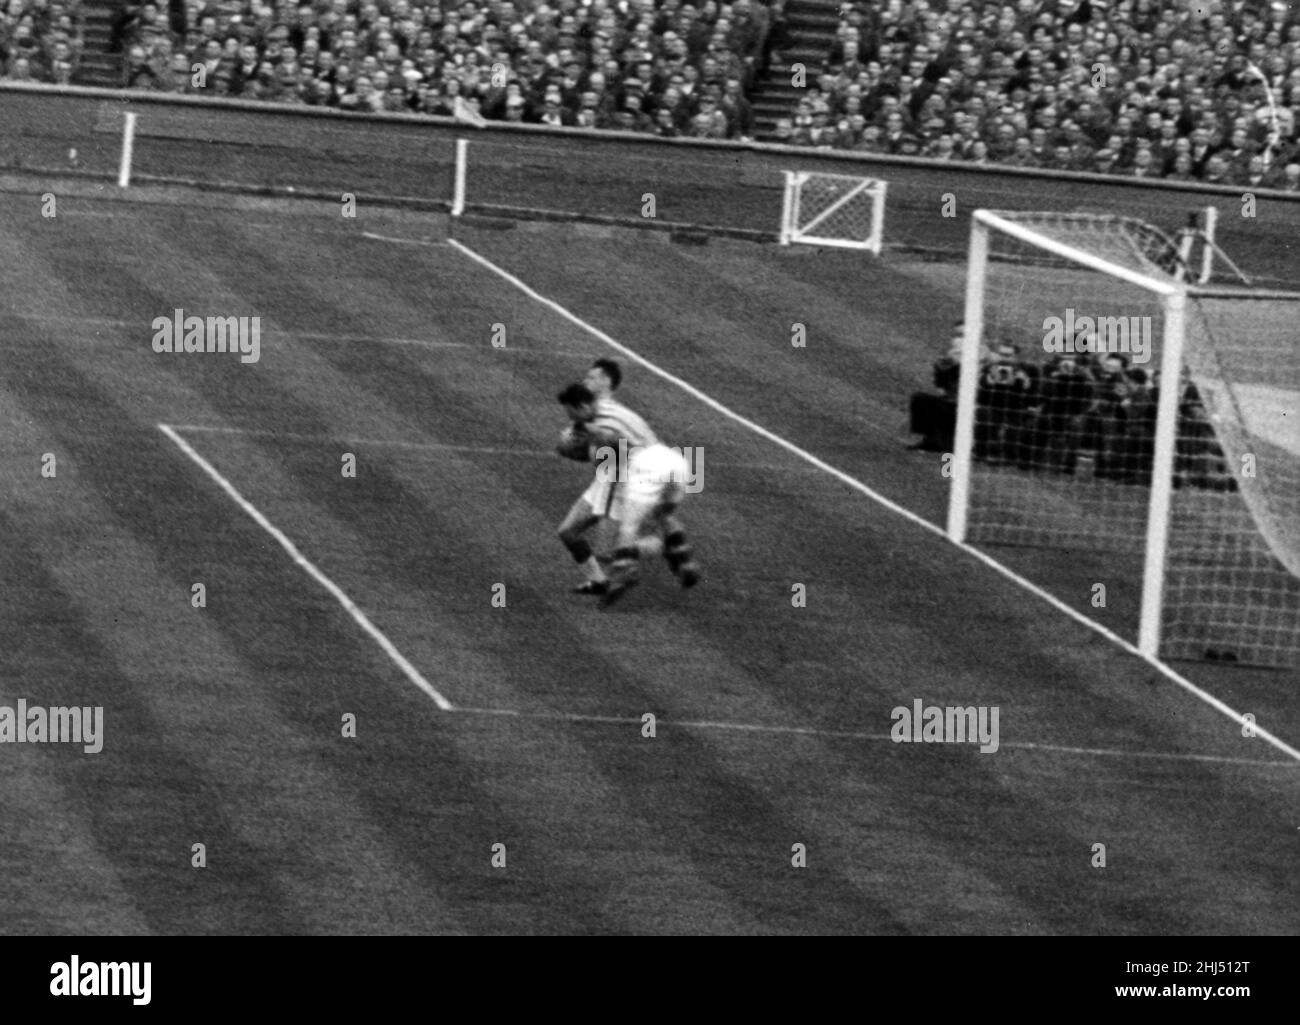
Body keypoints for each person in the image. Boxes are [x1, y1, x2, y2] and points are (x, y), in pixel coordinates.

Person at [556, 382, 700, 605]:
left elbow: (608, 450)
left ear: (583, 406)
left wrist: (581, 444)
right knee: (661, 515)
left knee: (619, 540)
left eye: (572, 414)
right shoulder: (604, 406)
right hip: (670, 462)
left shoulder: (600, 427)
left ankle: (630, 568)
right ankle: (677, 554)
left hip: (638, 471)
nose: (572, 420)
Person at [555, 359, 625, 595]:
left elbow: (611, 454)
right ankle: (598, 581)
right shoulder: (591, 410)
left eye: (591, 377)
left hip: (620, 485)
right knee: (567, 532)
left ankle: (659, 545)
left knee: (607, 552)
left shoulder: (609, 415)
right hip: (604, 481)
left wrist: (582, 448)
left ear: (606, 381)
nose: (586, 381)